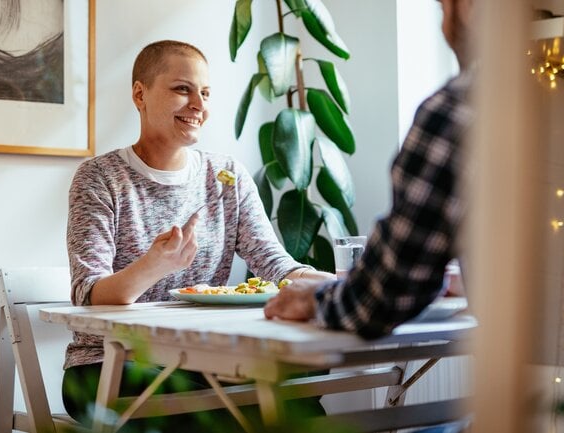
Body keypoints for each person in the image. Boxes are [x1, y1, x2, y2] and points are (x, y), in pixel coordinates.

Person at [62, 40, 333, 432]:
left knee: (298, 388)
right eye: (182, 89)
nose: (198, 105)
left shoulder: (226, 177)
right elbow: (90, 294)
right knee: (246, 412)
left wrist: (347, 283)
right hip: (108, 368)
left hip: (204, 360)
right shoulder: (100, 178)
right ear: (140, 93)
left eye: (204, 93)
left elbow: (276, 267)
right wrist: (156, 265)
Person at [264, 0, 475, 339]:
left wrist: (316, 294)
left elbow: (386, 293)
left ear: (465, 7)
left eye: (441, 8)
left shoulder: (453, 112)